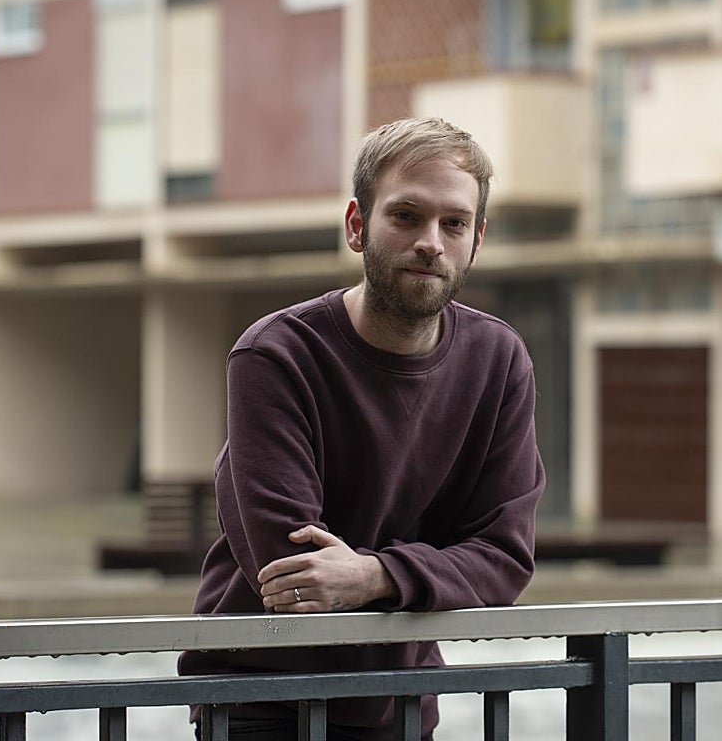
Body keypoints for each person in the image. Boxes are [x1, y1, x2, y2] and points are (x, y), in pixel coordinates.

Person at [178, 117, 546, 741]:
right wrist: (430, 575)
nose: (431, 241)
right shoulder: (276, 355)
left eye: (454, 223)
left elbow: (505, 557)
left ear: (476, 240)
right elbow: (292, 571)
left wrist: (375, 576)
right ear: (357, 225)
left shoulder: (499, 358)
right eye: (405, 216)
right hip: (262, 698)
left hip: (402, 701)